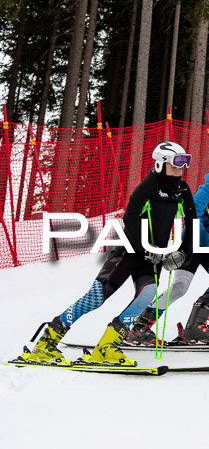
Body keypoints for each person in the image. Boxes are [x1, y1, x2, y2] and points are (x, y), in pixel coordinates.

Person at [25, 142, 196, 365]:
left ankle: (106, 347)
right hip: (129, 251)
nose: (179, 170)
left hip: (153, 258)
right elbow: (130, 217)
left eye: (183, 164)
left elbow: (192, 224)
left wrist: (182, 253)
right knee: (95, 299)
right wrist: (146, 248)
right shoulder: (149, 185)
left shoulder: (182, 190)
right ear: (160, 163)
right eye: (175, 164)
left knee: (147, 295)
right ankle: (46, 343)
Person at [127, 150, 209, 345]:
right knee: (179, 288)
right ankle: (140, 327)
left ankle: (195, 327)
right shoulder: (207, 190)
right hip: (194, 244)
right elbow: (192, 219)